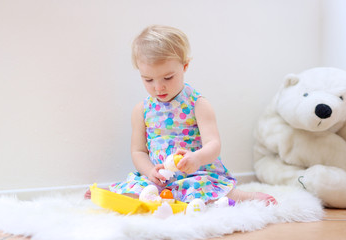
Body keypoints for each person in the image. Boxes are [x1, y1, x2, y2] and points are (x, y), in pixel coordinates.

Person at [85, 25, 277, 205]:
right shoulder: (142, 110)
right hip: (160, 177)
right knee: (140, 190)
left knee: (209, 193)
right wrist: (150, 171)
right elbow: (138, 151)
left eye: (168, 77)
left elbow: (214, 145)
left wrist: (196, 159)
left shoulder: (198, 104)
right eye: (148, 79)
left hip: (195, 173)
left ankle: (247, 197)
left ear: (185, 66)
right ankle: (113, 193)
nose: (158, 87)